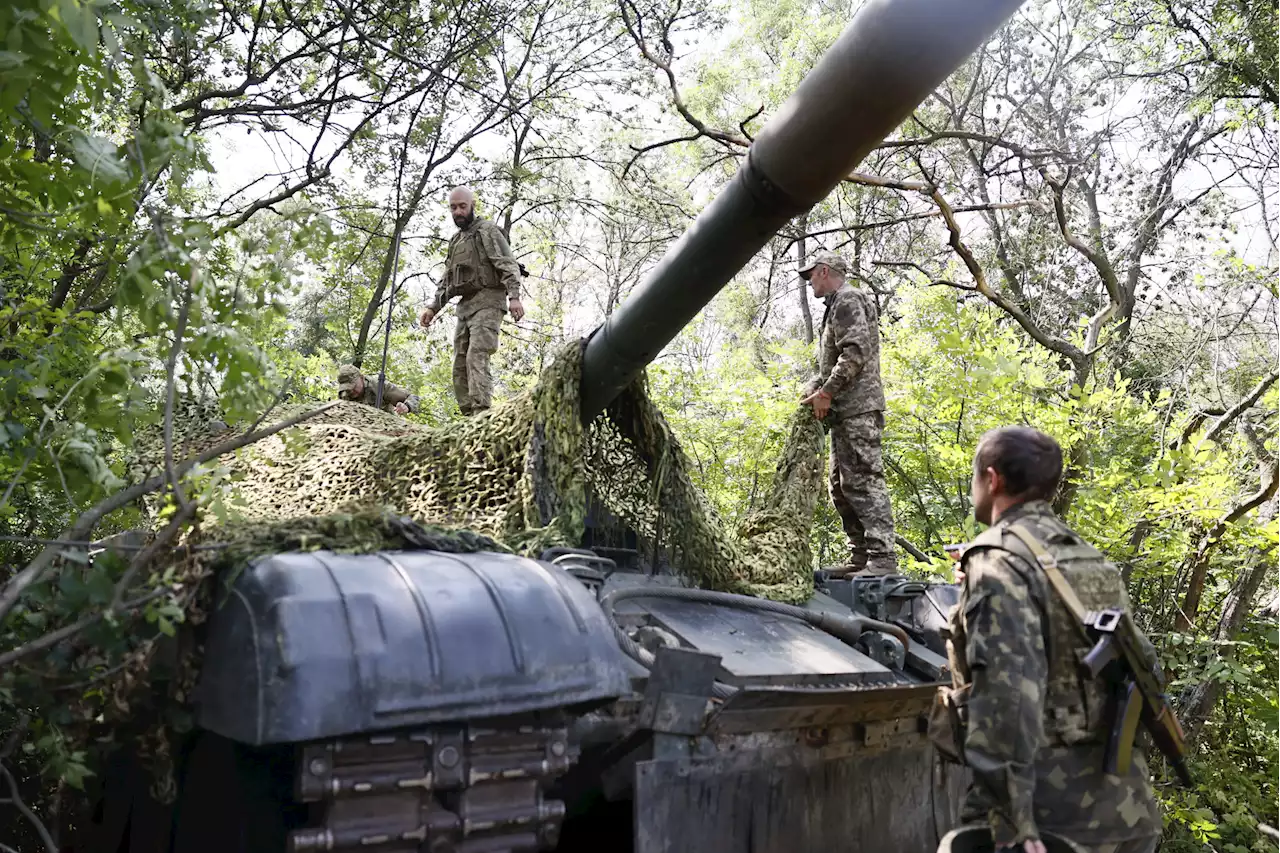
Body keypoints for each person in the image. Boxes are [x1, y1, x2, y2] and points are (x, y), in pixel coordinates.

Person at [941, 426, 1163, 853]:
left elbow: (1006, 697)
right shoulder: (1084, 556)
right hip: (1128, 810)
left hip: (1051, 821)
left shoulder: (997, 561)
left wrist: (1012, 824)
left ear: (992, 480)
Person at [798, 251, 896, 575]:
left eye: (811, 274)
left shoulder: (848, 298)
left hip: (857, 409)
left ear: (824, 271)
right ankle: (862, 556)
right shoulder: (836, 305)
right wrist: (815, 388)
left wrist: (826, 392)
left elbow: (855, 353)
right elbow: (831, 360)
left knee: (863, 480)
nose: (809, 280)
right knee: (840, 485)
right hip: (843, 412)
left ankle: (882, 559)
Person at [419, 186, 525, 416]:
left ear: (472, 205)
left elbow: (508, 264)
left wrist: (514, 297)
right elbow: (448, 278)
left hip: (489, 300)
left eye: (462, 206)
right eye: (453, 207)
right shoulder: (456, 241)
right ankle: (468, 418)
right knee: (459, 363)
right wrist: (432, 307)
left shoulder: (488, 231)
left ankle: (482, 414)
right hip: (465, 307)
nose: (458, 211)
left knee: (476, 355)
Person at [337, 364, 420, 415]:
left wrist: (406, 406)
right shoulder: (344, 394)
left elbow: (412, 397)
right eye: (347, 388)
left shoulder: (379, 386)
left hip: (386, 425)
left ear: (361, 378)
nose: (351, 391)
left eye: (353, 386)